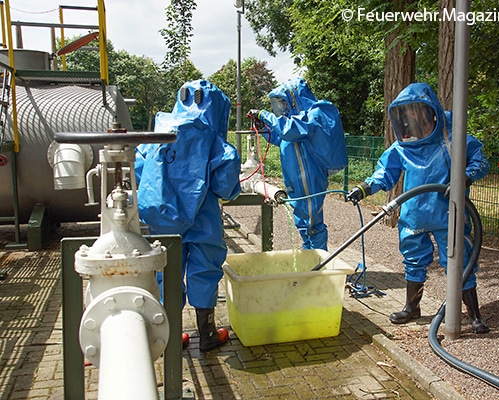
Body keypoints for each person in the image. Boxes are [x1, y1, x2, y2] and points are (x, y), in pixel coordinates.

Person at [346, 82, 491, 334]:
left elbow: (480, 161)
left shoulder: (451, 138)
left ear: (431, 112)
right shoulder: (403, 146)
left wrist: (464, 177)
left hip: (449, 212)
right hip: (413, 214)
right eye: (406, 117)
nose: (412, 124)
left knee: (460, 260)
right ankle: (412, 308)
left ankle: (474, 315)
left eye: (417, 116)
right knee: (413, 259)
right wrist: (364, 188)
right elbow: (384, 173)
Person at [136, 79, 242, 351]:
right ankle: (206, 333)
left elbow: (139, 170)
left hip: (162, 218)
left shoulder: (159, 130)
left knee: (167, 271)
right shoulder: (215, 142)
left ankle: (169, 337)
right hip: (202, 218)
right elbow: (225, 188)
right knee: (205, 270)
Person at [248, 77, 348, 250]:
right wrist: (263, 128)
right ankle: (309, 260)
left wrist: (265, 115)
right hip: (296, 179)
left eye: (284, 103)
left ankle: (318, 265)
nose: (282, 108)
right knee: (303, 221)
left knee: (312, 224)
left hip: (309, 177)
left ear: (295, 99)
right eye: (279, 104)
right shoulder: (295, 121)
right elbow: (281, 137)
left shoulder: (316, 114)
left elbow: (289, 130)